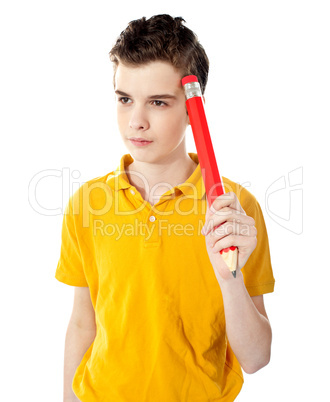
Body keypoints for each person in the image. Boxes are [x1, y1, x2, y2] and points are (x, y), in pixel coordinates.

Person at [55, 14, 275, 402]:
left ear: (194, 109)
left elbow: (256, 358)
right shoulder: (86, 205)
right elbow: (81, 324)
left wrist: (230, 277)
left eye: (158, 102)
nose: (136, 121)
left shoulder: (236, 211)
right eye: (125, 100)